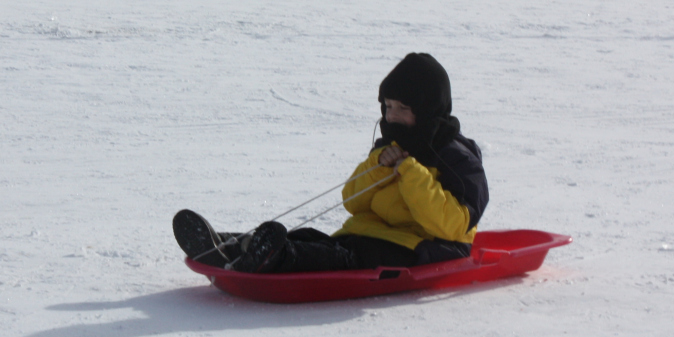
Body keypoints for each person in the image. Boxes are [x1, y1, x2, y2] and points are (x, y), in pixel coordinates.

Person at [173, 53, 488, 273]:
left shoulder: (458, 158)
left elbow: (454, 226)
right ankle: (235, 246)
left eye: (402, 108)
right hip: (368, 236)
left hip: (421, 249)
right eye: (388, 106)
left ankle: (271, 257)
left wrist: (409, 171)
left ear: (428, 109)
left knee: (340, 258)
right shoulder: (392, 145)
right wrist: (378, 165)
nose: (391, 116)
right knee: (315, 239)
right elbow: (353, 201)